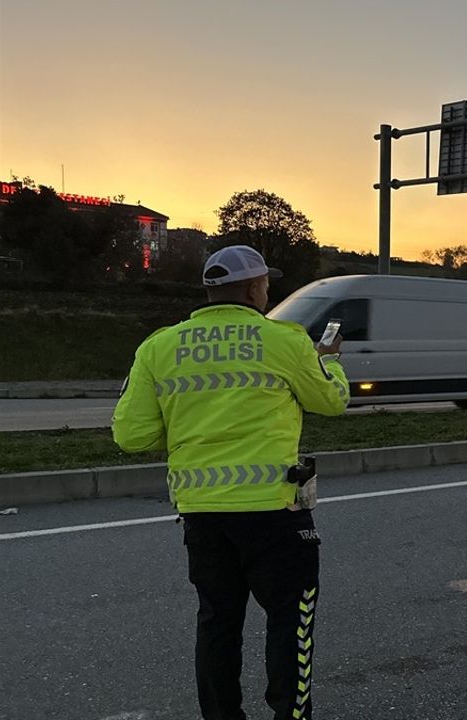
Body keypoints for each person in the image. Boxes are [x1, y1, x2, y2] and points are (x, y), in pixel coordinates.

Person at [113, 245, 349, 720]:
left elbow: (132, 435)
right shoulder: (284, 340)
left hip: (203, 515)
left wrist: (183, 422)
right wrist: (330, 361)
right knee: (290, 621)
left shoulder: (160, 347)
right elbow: (331, 401)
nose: (268, 290)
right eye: (266, 283)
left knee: (217, 623)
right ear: (253, 288)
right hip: (275, 513)